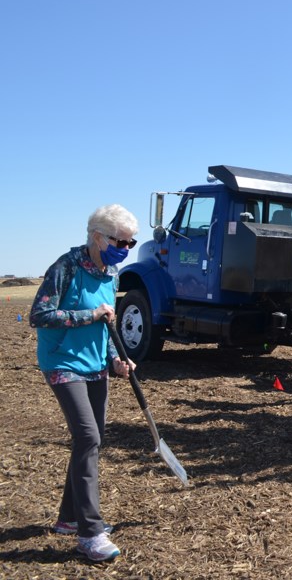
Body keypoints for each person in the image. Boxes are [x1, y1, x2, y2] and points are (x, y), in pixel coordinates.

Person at [29, 204, 139, 563]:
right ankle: (89, 533)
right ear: (97, 237)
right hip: (62, 362)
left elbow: (106, 328)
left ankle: (69, 517)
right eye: (120, 241)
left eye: (130, 242)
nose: (125, 247)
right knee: (88, 437)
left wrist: (115, 360)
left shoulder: (112, 273)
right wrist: (89, 314)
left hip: (95, 365)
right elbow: (41, 315)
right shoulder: (67, 266)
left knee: (92, 439)